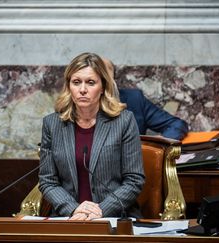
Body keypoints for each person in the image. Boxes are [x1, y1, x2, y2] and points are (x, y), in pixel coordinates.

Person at [38, 52, 145, 220]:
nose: (82, 90)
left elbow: (134, 180)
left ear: (103, 87)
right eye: (76, 82)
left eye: (90, 82)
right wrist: (73, 209)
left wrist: (101, 210)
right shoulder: (52, 125)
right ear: (69, 86)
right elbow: (48, 181)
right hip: (68, 218)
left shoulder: (124, 121)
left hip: (114, 218)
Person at [103, 58, 188, 140]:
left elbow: (176, 124)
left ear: (114, 78)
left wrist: (161, 142)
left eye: (106, 70)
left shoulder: (134, 99)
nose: (103, 77)